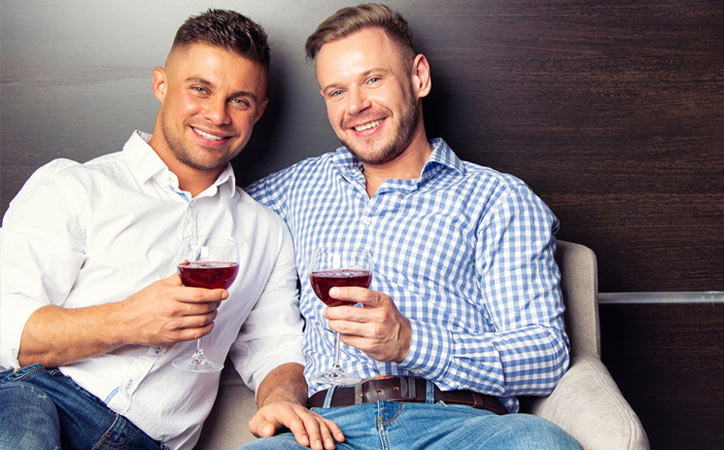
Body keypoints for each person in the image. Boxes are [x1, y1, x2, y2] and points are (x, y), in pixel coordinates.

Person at [240, 3, 582, 449]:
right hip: (331, 430)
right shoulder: (296, 188)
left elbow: (545, 355)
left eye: (373, 79)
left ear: (418, 77)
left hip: (462, 425)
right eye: (336, 91)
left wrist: (410, 344)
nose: (357, 106)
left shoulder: (496, 199)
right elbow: (203, 210)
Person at [0, 9, 309, 450]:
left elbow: (274, 344)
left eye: (238, 100)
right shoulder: (74, 185)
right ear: (161, 84)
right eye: (200, 89)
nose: (217, 115)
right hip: (40, 399)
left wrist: (281, 397)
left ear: (258, 111)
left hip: (151, 441)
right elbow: (7, 327)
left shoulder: (267, 232)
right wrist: (126, 321)